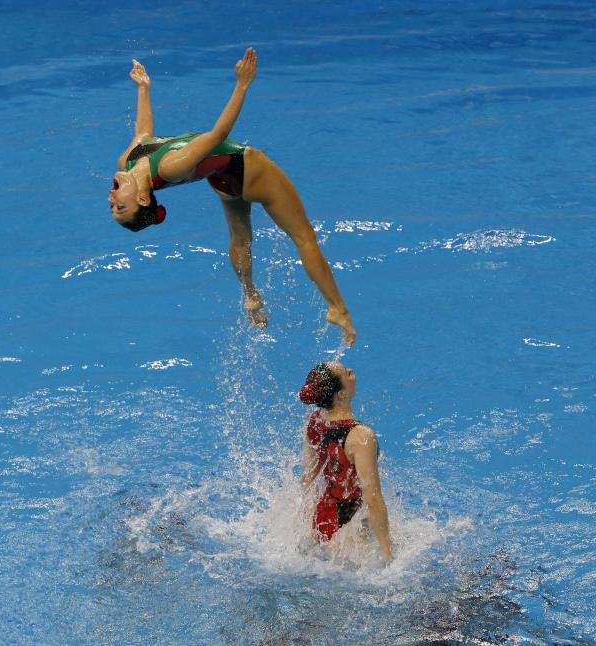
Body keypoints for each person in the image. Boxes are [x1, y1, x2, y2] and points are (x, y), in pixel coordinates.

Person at [109, 48, 356, 346]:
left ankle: (251, 295)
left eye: (113, 205)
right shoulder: (170, 167)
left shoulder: (128, 162)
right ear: (144, 200)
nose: (112, 197)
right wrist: (242, 85)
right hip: (248, 168)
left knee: (240, 238)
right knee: (304, 237)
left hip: (222, 179)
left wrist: (144, 89)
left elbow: (143, 134)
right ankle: (337, 308)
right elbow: (217, 135)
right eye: (121, 206)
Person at [299, 362, 392, 561]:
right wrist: (388, 555)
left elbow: (308, 479)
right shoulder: (361, 436)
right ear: (340, 395)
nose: (351, 371)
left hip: (323, 518)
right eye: (346, 373)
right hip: (350, 526)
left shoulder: (315, 422)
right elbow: (373, 498)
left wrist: (305, 523)